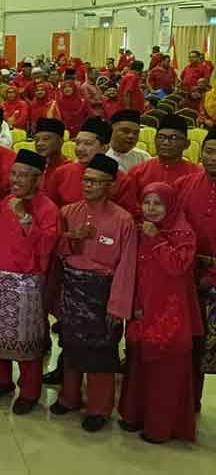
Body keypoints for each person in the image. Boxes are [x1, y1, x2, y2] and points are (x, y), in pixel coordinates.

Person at [51, 154, 137, 433]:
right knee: (71, 345)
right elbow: (55, 250)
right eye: (86, 180)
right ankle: (69, 397)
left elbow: (127, 267)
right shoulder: (68, 212)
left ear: (110, 186)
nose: (88, 186)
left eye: (95, 182)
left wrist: (118, 306)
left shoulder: (123, 220)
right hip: (73, 286)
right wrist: (71, 238)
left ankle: (99, 408)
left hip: (103, 291)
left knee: (102, 352)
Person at [118, 182, 200, 444]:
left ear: (170, 206)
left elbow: (177, 266)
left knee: (164, 371)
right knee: (137, 362)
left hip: (169, 314)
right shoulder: (140, 229)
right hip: (143, 307)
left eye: (158, 204)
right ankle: (134, 416)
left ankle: (159, 427)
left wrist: (156, 238)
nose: (151, 209)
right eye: (147, 203)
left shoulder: (183, 233)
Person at [0, 150, 60, 415]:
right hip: (0, 278)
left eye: (23, 175)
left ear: (38, 179)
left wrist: (26, 219)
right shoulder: (5, 202)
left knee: (28, 339)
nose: (15, 180)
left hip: (28, 283)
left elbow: (47, 246)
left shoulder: (48, 209)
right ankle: (1, 381)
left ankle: (29, 391)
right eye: (14, 173)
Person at [173, 128, 216, 411]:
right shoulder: (183, 185)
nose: (214, 158)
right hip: (190, 280)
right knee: (192, 347)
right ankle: (188, 405)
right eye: (210, 151)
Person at [45, 117, 139, 215]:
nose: (80, 149)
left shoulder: (122, 180)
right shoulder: (61, 173)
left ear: (104, 148)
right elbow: (49, 210)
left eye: (87, 144)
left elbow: (127, 217)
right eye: (77, 143)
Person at [127, 114, 202, 193]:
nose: (166, 142)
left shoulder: (198, 174)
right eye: (161, 137)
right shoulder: (138, 172)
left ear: (187, 144)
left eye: (174, 138)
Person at [33, 117, 70, 184]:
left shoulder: (69, 169)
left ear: (60, 141)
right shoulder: (33, 168)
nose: (39, 144)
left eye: (46, 139)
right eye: (36, 140)